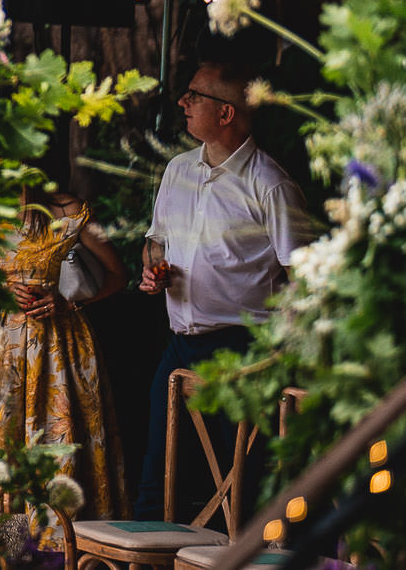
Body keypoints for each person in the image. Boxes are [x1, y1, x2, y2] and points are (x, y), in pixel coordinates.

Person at [134, 58, 311, 519]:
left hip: (243, 353)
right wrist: (154, 270)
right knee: (157, 479)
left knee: (237, 491)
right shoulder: (176, 170)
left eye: (195, 95)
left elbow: (306, 280)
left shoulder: (270, 184)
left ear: (226, 113)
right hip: (178, 349)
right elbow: (154, 243)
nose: (182, 102)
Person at [0, 183, 127, 550]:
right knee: (3, 449)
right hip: (6, 345)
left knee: (57, 444)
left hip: (59, 348)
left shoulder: (70, 209)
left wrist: (69, 303)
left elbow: (118, 276)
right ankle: (11, 552)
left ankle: (61, 552)